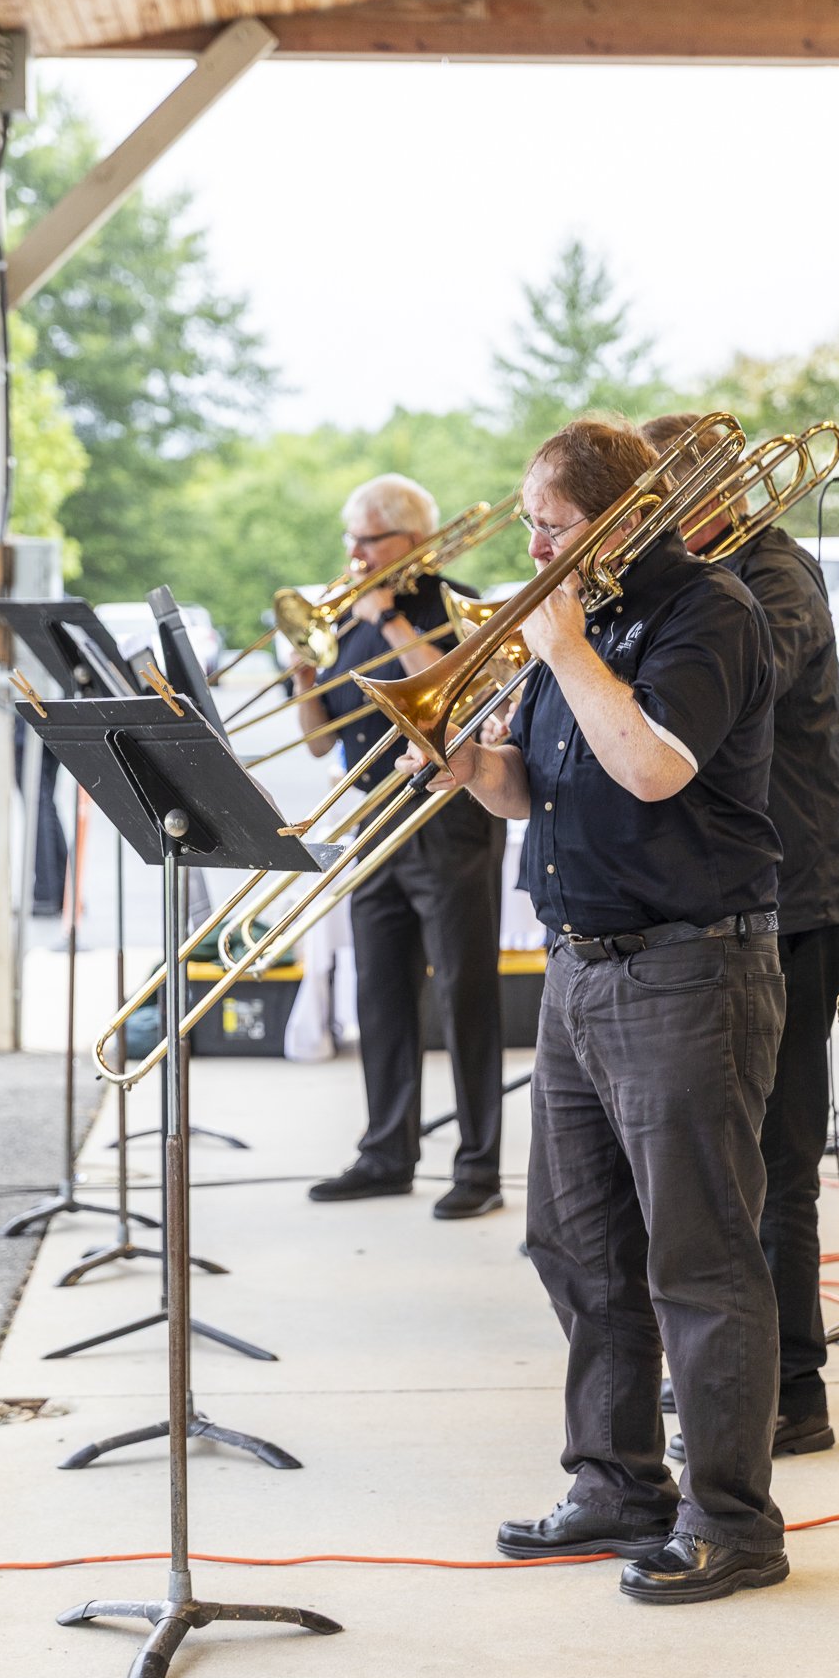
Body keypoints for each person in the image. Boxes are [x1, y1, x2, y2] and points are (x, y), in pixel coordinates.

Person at [404, 418, 789, 1604]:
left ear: (620, 520)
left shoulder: (706, 612)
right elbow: (544, 790)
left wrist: (564, 647)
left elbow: (654, 765)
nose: (530, 544)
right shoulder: (583, 624)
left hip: (689, 968)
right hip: (580, 967)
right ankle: (618, 1483)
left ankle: (733, 1518)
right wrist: (472, 766)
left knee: (699, 1255)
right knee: (572, 1239)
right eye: (526, 520)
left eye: (551, 524)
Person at [643, 414, 839, 1459]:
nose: (639, 531)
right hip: (747, 893)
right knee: (733, 1153)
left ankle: (793, 1390)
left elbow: (739, 683)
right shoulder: (711, 578)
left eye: (650, 505)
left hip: (804, 891)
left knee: (777, 1154)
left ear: (710, 499)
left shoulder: (774, 576)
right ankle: (746, 1368)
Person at [295, 474, 506, 1220]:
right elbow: (321, 734)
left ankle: (478, 1166)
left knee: (464, 992)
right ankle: (387, 1152)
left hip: (447, 811)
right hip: (371, 814)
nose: (352, 553)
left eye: (367, 540)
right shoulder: (347, 616)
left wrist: (386, 621)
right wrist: (301, 669)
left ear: (410, 543)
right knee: (378, 990)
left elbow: (455, 694)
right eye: (350, 539)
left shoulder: (451, 604)